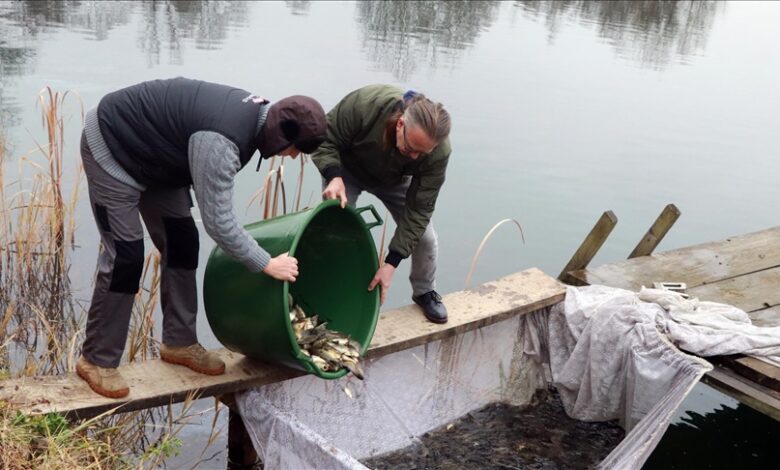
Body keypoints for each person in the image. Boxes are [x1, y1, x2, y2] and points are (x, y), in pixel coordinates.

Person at [76, 77, 326, 398]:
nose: (292, 158)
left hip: (159, 158)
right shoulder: (222, 142)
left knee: (182, 240)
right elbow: (219, 223)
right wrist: (267, 263)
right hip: (113, 145)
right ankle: (96, 360)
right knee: (126, 256)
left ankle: (178, 342)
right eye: (295, 150)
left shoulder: (257, 123)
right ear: (282, 135)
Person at [311, 84, 451, 324]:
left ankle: (424, 291)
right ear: (400, 125)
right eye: (410, 148)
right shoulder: (366, 105)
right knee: (335, 232)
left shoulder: (437, 152)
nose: (415, 156)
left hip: (395, 180)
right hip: (346, 171)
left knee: (426, 239)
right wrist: (333, 175)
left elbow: (419, 210)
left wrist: (391, 263)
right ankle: (326, 292)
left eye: (422, 153)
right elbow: (323, 137)